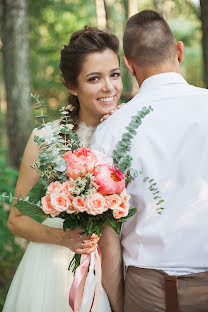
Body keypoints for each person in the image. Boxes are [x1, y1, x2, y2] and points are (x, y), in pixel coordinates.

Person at [91, 10, 208, 312]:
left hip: (149, 291)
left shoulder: (111, 130)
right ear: (178, 50)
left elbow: (108, 232)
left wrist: (118, 302)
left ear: (129, 65)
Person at [3, 26, 123, 312]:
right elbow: (16, 219)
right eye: (94, 78)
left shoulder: (133, 132)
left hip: (122, 270)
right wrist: (63, 238)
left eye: (115, 74)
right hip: (57, 274)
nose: (109, 87)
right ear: (72, 85)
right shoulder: (46, 140)